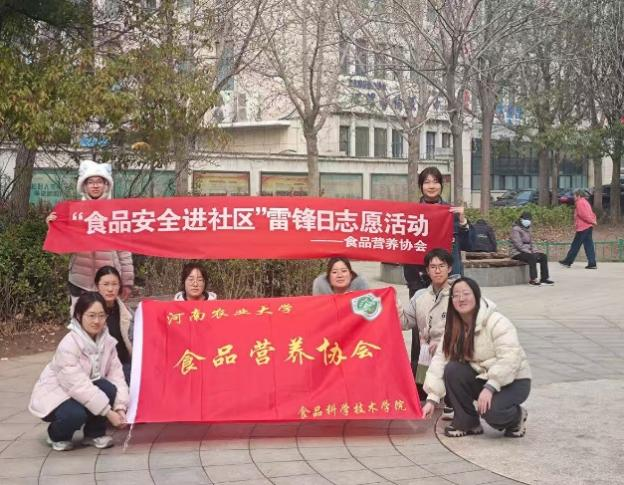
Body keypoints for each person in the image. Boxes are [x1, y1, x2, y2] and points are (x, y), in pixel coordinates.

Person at [421, 278, 531, 438]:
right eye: (456, 295)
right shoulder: (454, 326)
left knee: (491, 411)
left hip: (513, 380)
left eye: (466, 293)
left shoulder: (496, 321)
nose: (461, 299)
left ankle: (516, 417)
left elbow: (510, 358)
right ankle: (467, 422)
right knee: (453, 369)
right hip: (483, 377)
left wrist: (490, 387)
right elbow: (440, 360)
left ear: (477, 296)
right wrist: (432, 399)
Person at [28, 292, 129, 451]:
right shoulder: (69, 344)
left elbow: (117, 376)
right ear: (79, 316)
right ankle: (56, 435)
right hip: (59, 394)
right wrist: (108, 413)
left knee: (109, 388)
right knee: (75, 414)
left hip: (84, 392)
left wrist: (120, 407)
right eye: (91, 315)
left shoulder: (108, 342)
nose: (97, 321)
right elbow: (78, 385)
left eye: (101, 315)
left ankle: (94, 434)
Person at [403, 167, 473, 378]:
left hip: (450, 285)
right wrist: (415, 285)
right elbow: (406, 249)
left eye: (435, 181)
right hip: (422, 285)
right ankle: (421, 382)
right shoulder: (412, 214)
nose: (431, 186)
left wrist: (463, 221)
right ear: (420, 186)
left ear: (442, 185)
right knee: (422, 337)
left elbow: (470, 245)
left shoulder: (451, 213)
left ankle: (450, 381)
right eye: (426, 182)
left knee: (452, 332)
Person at [46, 160, 134, 310]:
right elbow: (61, 249)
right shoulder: (74, 211)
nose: (95, 186)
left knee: (107, 321)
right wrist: (53, 228)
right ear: (84, 185)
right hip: (79, 281)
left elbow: (124, 250)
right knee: (79, 320)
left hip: (108, 281)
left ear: (106, 184)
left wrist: (127, 281)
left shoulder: (116, 212)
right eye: (90, 182)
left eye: (99, 181)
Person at [400, 248, 456, 419]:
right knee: (417, 392)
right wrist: (394, 308)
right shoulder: (420, 296)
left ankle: (455, 400)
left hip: (451, 353)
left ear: (450, 268)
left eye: (442, 266)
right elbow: (405, 322)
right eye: (433, 267)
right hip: (426, 356)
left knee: (453, 379)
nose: (437, 271)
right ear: (427, 270)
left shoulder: (458, 294)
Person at [95, 266, 133, 384]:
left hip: (125, 363)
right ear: (97, 286)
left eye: (114, 284)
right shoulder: (91, 314)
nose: (110, 289)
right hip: (102, 367)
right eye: (105, 284)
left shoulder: (127, 313)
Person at [509, 211, 554, 286]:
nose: (528, 221)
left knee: (543, 256)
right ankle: (533, 279)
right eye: (526, 219)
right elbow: (518, 244)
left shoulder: (529, 229)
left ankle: (544, 279)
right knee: (532, 257)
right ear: (521, 219)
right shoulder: (515, 229)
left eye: (529, 219)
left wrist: (535, 251)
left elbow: (532, 242)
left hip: (528, 251)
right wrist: (529, 252)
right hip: (517, 252)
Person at [559, 189, 597, 269]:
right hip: (588, 226)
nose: (573, 197)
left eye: (574, 195)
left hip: (583, 227)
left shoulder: (579, 202)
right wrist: (593, 221)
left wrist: (592, 221)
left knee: (575, 245)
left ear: (578, 195)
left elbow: (583, 215)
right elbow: (592, 213)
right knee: (589, 245)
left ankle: (567, 261)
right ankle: (592, 263)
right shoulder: (586, 202)